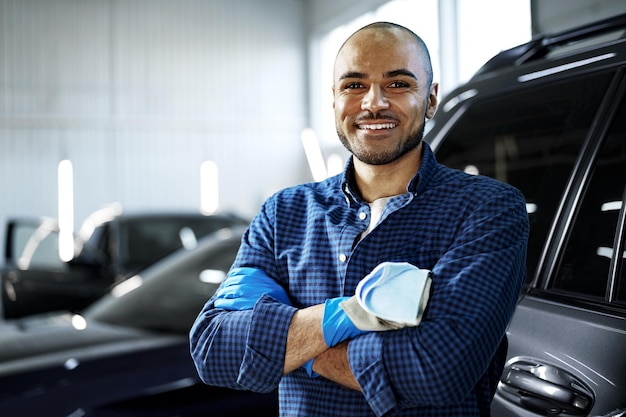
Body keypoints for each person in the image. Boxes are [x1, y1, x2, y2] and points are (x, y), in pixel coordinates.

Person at [190, 21, 529, 417]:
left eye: (398, 84)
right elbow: (213, 350)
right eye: (353, 85)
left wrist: (288, 342)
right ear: (333, 99)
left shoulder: (487, 209)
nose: (373, 103)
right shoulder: (283, 214)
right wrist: (350, 314)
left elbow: (438, 371)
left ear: (432, 99)